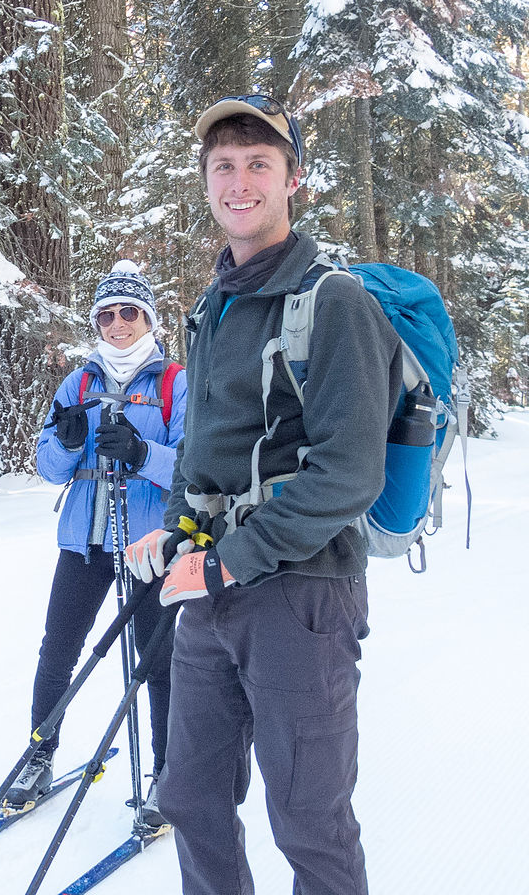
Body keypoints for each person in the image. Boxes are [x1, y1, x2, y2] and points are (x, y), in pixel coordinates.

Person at [127, 94, 403, 895]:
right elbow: (202, 450)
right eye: (223, 166)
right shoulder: (214, 304)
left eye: (258, 164)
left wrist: (229, 562)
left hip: (302, 595)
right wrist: (181, 532)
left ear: (294, 180)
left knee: (309, 820)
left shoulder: (335, 301)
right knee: (192, 796)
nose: (238, 181)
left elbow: (349, 472)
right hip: (213, 589)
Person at [7, 262, 187, 822]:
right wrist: (66, 440)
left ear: (147, 318)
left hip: (149, 543)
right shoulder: (78, 382)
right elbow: (50, 468)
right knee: (58, 649)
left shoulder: (172, 381)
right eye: (106, 315)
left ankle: (168, 771)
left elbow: (193, 465)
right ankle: (39, 754)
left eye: (128, 313)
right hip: (84, 543)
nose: (117, 325)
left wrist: (140, 455)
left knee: (156, 660)